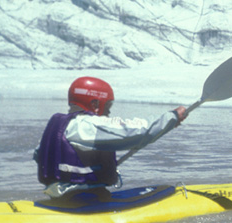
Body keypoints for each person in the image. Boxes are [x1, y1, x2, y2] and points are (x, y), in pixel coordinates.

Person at [35, 76, 187, 197]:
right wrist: (171, 117)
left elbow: (38, 155)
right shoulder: (86, 125)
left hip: (57, 196)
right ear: (94, 104)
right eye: (107, 107)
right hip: (83, 199)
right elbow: (135, 132)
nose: (108, 113)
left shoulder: (58, 124)